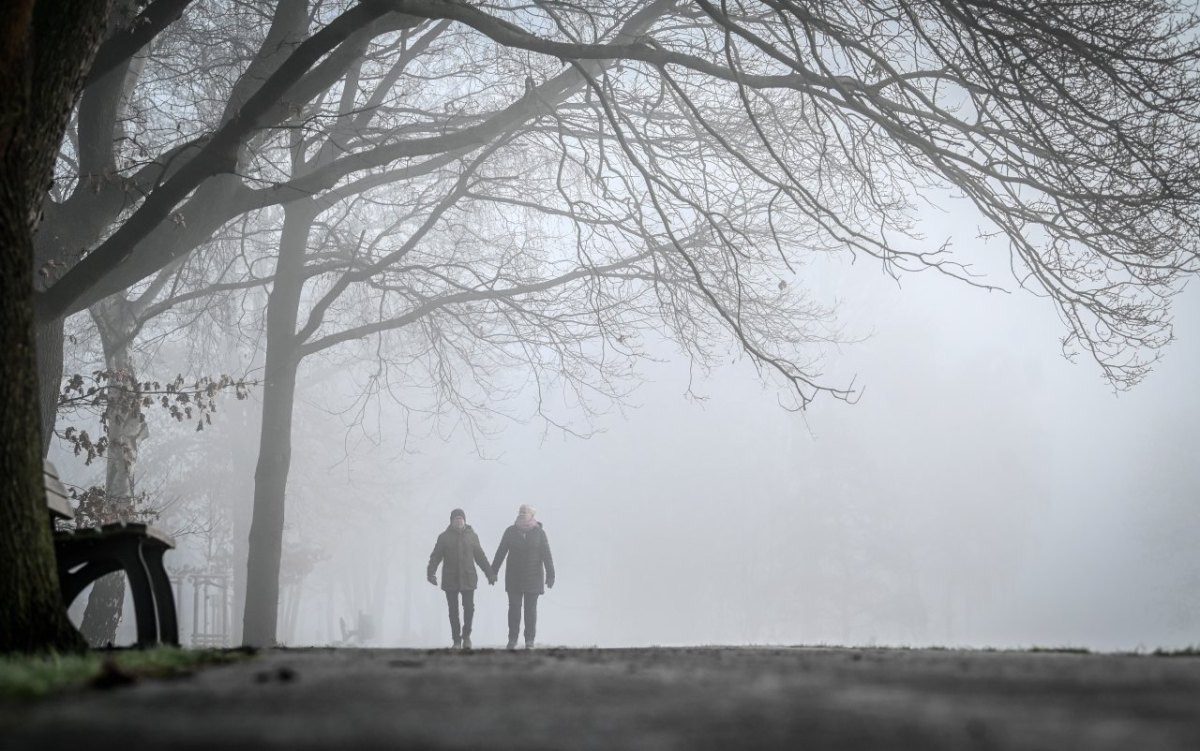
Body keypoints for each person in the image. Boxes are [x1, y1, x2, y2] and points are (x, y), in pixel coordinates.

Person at [427, 508, 494, 649]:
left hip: (468, 578)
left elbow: (480, 557)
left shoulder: (472, 536)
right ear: (451, 521)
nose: (459, 520)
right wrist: (431, 573)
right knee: (453, 611)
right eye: (456, 518)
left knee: (469, 609)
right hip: (450, 579)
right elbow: (436, 556)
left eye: (461, 518)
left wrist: (490, 573)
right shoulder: (443, 537)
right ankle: (456, 640)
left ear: (465, 520)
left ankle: (466, 636)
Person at [492, 504, 555, 649]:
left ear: (532, 516)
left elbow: (547, 555)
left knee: (530, 610)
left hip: (534, 577)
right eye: (520, 512)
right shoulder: (510, 531)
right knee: (514, 609)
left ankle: (529, 640)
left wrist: (551, 575)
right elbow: (501, 552)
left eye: (525, 512)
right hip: (514, 578)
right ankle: (512, 639)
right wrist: (492, 571)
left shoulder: (539, 533)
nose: (522, 514)